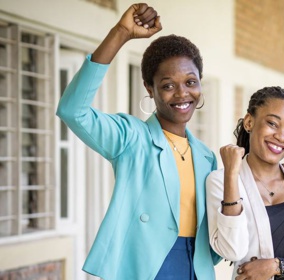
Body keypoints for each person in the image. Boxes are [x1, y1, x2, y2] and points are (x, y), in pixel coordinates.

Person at [56, 4, 220, 279]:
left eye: (190, 82)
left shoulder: (206, 156)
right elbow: (73, 111)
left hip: (198, 268)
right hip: (148, 266)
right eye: (168, 85)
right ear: (149, 87)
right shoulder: (131, 138)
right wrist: (120, 33)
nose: (182, 94)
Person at [206, 86, 284, 280]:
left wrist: (277, 266)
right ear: (249, 122)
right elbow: (231, 250)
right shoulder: (220, 182)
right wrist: (232, 175)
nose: (281, 137)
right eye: (273, 124)